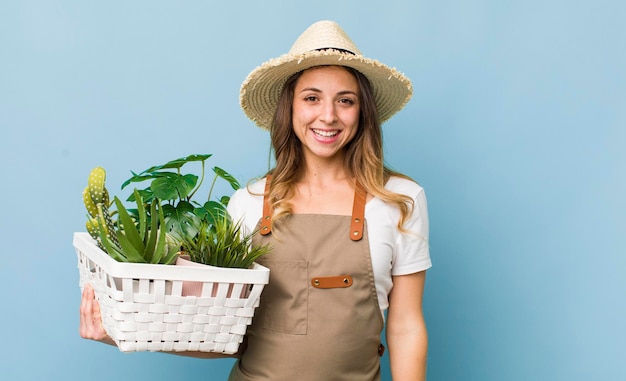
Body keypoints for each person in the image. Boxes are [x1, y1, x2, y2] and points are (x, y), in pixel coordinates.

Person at [80, 20, 431, 381]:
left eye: (345, 101)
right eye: (312, 98)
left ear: (363, 112)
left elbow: (405, 327)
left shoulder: (400, 201)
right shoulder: (249, 202)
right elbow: (223, 337)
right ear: (289, 108)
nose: (328, 115)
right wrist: (121, 331)